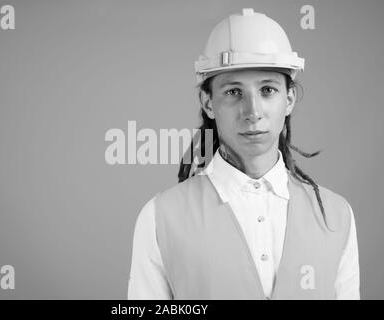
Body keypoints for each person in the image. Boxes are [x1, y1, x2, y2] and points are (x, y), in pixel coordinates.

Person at [128, 8, 359, 300]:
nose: (252, 113)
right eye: (234, 92)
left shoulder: (337, 216)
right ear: (208, 102)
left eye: (267, 90)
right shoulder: (160, 218)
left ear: (288, 100)